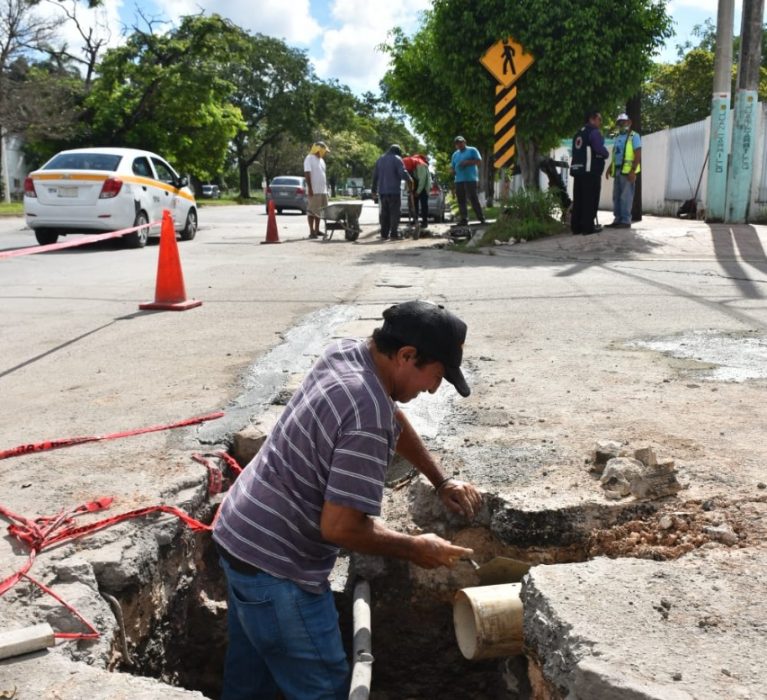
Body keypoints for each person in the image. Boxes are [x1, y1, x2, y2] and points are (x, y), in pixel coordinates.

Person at [212, 300, 482, 699]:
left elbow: (387, 414)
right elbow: (340, 527)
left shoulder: (348, 353)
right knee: (323, 690)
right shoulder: (366, 417)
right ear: (407, 356)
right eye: (436, 375)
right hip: (278, 569)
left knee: (250, 683)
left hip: (240, 535)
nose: (432, 388)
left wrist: (439, 479)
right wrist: (415, 548)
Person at [570, 110, 609, 235]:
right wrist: (606, 153)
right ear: (592, 119)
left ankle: (576, 227)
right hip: (590, 171)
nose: (600, 122)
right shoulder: (594, 132)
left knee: (579, 200)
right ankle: (587, 228)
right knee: (590, 200)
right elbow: (599, 148)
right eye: (599, 119)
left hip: (578, 171)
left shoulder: (578, 134)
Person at [605, 113, 642, 229]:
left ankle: (625, 221)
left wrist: (633, 171)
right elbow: (617, 155)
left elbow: (637, 154)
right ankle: (617, 220)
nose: (621, 125)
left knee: (626, 197)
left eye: (624, 122)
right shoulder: (618, 137)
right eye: (619, 123)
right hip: (617, 171)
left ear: (629, 122)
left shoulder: (634, 136)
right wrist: (610, 167)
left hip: (627, 172)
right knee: (616, 197)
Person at [372, 144, 412, 240]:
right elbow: (402, 173)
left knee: (384, 213)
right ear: (398, 152)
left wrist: (373, 190)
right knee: (394, 213)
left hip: (382, 192)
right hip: (394, 192)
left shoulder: (380, 159)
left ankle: (384, 234)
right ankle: (394, 234)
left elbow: (375, 176)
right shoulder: (397, 159)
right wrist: (410, 179)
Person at [450, 136, 485, 226]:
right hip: (458, 180)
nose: (460, 144)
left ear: (465, 142)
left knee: (473, 198)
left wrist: (467, 162)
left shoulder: (472, 150)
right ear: (456, 145)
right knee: (461, 200)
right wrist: (452, 170)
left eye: (461, 142)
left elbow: (479, 161)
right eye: (458, 143)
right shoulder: (455, 154)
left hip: (470, 179)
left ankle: (481, 218)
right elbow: (452, 166)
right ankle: (464, 219)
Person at [304, 141, 330, 239]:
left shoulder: (322, 161)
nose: (325, 153)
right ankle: (311, 231)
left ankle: (317, 230)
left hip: (322, 191)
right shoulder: (309, 158)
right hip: (314, 190)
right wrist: (310, 188)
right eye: (324, 151)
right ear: (319, 149)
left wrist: (326, 190)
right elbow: (307, 173)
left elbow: (323, 176)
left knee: (320, 212)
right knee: (312, 211)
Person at [403, 154, 432, 231]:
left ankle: (424, 222)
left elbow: (422, 180)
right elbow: (408, 178)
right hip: (415, 185)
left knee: (423, 204)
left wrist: (418, 191)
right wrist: (408, 190)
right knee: (413, 204)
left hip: (423, 187)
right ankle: (415, 220)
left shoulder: (420, 165)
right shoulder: (410, 165)